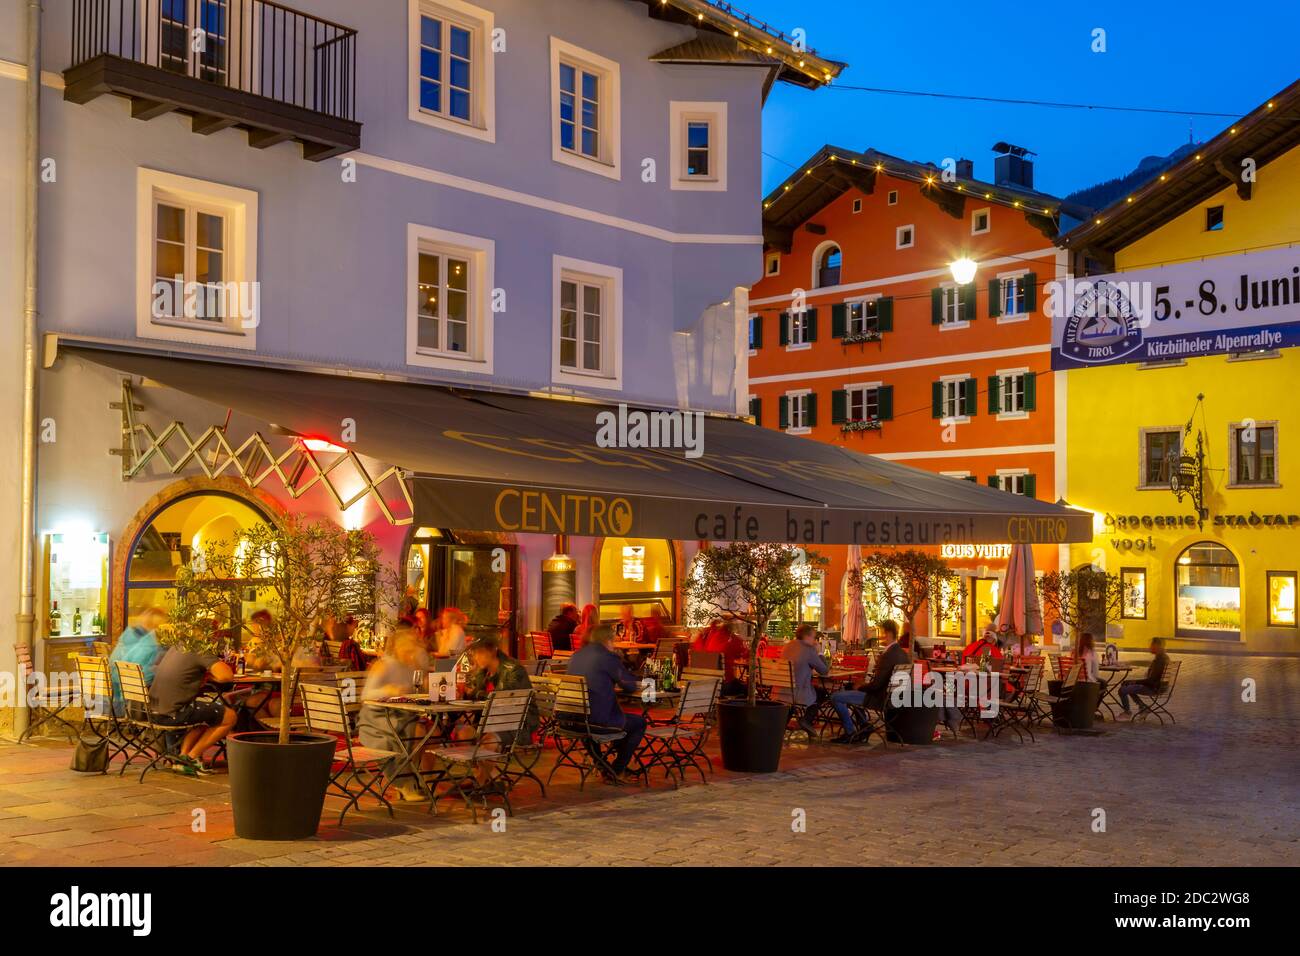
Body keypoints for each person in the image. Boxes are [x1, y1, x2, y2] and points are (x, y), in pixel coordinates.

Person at [356, 626, 431, 801]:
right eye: (408, 647)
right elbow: (365, 696)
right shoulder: (383, 665)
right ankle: (404, 783)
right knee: (410, 734)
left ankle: (415, 780)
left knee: (427, 734)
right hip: (376, 718)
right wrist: (389, 690)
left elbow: (414, 691)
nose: (412, 651)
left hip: (401, 714)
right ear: (397, 647)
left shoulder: (410, 666)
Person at [565, 624, 645, 781]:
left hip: (571, 719)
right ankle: (617, 769)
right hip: (596, 721)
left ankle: (602, 765)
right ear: (608, 640)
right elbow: (628, 686)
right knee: (639, 723)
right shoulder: (607, 657)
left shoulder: (577, 655)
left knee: (597, 722)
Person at [148, 644, 237, 776]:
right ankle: (192, 757)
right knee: (230, 716)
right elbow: (226, 675)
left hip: (154, 711)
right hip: (174, 713)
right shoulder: (198, 649)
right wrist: (211, 675)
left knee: (206, 715)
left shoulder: (176, 647)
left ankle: (183, 759)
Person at [830, 619, 909, 743]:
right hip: (894, 698)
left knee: (836, 697)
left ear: (887, 633)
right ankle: (864, 726)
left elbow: (876, 685)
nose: (878, 637)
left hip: (879, 698)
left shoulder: (888, 655)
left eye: (880, 633)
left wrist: (861, 686)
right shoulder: (903, 654)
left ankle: (850, 732)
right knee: (852, 690)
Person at [463, 635, 537, 752]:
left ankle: (484, 769)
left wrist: (476, 693)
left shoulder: (513, 670)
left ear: (493, 651)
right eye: (474, 654)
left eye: (480, 653)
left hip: (516, 724)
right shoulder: (482, 672)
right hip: (489, 722)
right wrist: (463, 692)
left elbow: (505, 698)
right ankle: (474, 769)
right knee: (464, 733)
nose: (476, 657)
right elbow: (473, 694)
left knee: (489, 742)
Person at [108, 607, 167, 714]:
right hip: (128, 692)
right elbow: (146, 672)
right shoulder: (149, 644)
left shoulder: (130, 638)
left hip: (116, 689)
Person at [783, 624, 830, 737]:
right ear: (807, 636)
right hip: (798, 692)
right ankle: (806, 720)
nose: (814, 641)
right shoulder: (808, 649)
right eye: (814, 637)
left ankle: (782, 724)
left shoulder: (788, 646)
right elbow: (824, 670)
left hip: (782, 690)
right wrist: (819, 652)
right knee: (822, 693)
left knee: (794, 701)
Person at [1118, 638, 1171, 718]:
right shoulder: (1164, 657)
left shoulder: (1160, 660)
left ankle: (1127, 712)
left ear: (1157, 646)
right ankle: (1143, 707)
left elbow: (1150, 681)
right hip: (1161, 687)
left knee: (1122, 690)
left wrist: (1135, 682)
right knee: (1127, 684)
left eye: (1151, 645)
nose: (1150, 647)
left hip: (1154, 688)